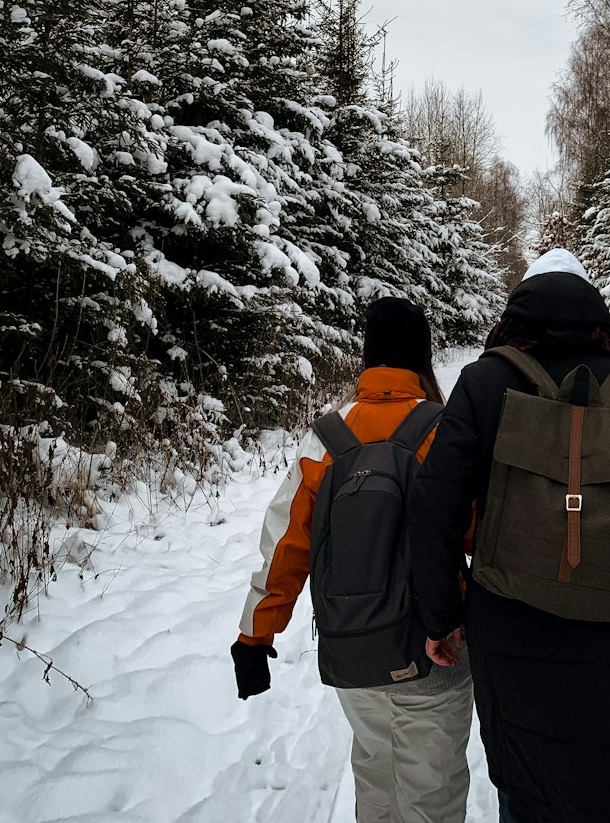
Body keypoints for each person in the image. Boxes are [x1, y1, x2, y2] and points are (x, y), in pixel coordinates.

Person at [410, 249, 610, 823]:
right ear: (596, 315)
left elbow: (433, 510)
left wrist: (441, 618)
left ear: (519, 310)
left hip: (508, 626)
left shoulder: (483, 381)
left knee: (527, 781)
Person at [232, 296, 473, 823]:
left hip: (353, 651)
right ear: (421, 359)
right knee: (432, 794)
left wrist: (255, 636)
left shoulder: (327, 438)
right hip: (435, 650)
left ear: (367, 359)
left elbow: (284, 545)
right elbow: (476, 530)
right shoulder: (444, 428)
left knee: (375, 775)